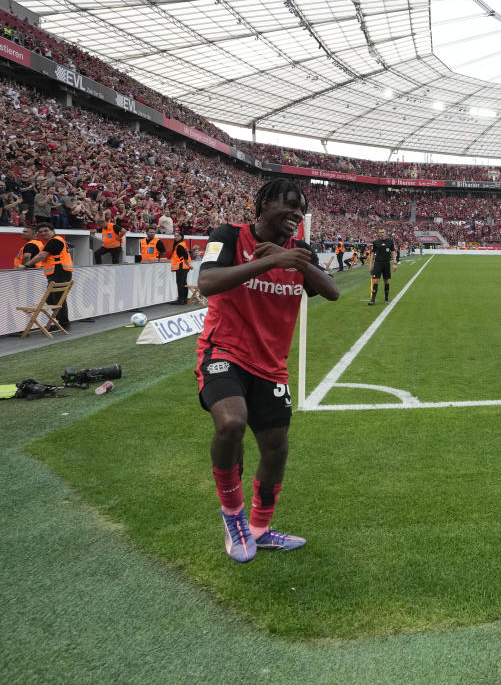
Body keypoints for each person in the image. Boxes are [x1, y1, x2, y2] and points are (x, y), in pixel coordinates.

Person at [195, 178, 340, 563]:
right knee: (230, 424)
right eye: (290, 204)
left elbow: (332, 291)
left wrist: (295, 260)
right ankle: (234, 519)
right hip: (223, 349)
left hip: (271, 364)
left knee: (275, 448)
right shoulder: (228, 235)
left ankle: (260, 528)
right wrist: (269, 261)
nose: (297, 213)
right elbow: (206, 282)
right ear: (263, 205)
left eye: (302, 209)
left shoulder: (300, 251)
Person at [22, 223, 73, 331]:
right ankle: (62, 322)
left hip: (58, 272)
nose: (43, 233)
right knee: (53, 299)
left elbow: (42, 256)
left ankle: (64, 323)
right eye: (41, 232)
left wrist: (27, 264)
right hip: (60, 272)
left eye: (46, 231)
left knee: (57, 300)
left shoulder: (53, 241)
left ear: (52, 231)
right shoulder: (58, 240)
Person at [367, 227, 397, 306]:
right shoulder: (375, 242)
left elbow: (393, 252)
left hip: (386, 263)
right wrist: (370, 265)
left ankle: (386, 299)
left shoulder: (390, 242)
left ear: (385, 233)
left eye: (382, 232)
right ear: (378, 233)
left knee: (386, 281)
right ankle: (372, 300)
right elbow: (372, 254)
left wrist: (395, 263)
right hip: (377, 264)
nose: (381, 234)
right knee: (376, 281)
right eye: (380, 232)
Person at [170, 229, 191, 305]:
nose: (175, 237)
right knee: (183, 283)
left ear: (181, 237)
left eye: (177, 236)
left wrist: (188, 265)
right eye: (175, 236)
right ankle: (184, 299)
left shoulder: (179, 245)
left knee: (180, 284)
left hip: (181, 267)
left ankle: (181, 300)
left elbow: (185, 256)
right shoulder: (182, 244)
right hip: (183, 267)